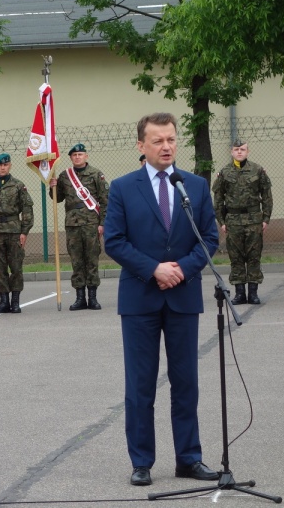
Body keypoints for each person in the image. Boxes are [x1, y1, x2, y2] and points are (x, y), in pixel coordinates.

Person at [103, 112, 220, 487]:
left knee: (186, 382)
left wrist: (182, 269)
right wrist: (154, 269)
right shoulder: (123, 187)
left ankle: (189, 458)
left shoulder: (196, 186)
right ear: (141, 145)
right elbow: (115, 241)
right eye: (158, 140)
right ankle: (142, 461)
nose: (166, 146)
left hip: (183, 297)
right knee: (140, 385)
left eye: (171, 139)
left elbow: (210, 238)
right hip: (140, 298)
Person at [48, 143, 109, 310]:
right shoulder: (65, 176)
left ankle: (93, 298)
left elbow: (105, 201)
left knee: (92, 260)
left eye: (80, 154)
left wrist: (102, 223)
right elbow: (57, 198)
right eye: (74, 155)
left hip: (91, 223)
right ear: (70, 158)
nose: (77, 157)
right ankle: (80, 298)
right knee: (76, 261)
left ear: (86, 156)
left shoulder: (96, 175)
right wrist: (52, 186)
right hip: (72, 224)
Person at [212, 140, 273, 305]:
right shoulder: (224, 172)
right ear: (231, 152)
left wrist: (266, 218)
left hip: (254, 219)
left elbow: (267, 196)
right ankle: (240, 293)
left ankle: (253, 293)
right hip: (233, 220)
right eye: (236, 149)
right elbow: (218, 200)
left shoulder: (258, 170)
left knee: (254, 256)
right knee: (236, 257)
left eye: (242, 149)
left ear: (248, 151)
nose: (239, 152)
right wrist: (222, 221)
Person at [0, 153, 34, 314]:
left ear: (10, 165)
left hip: (14, 231)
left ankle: (15, 301)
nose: (2, 167)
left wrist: (24, 231)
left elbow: (27, 209)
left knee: (16, 266)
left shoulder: (18, 186)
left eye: (5, 165)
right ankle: (4, 301)